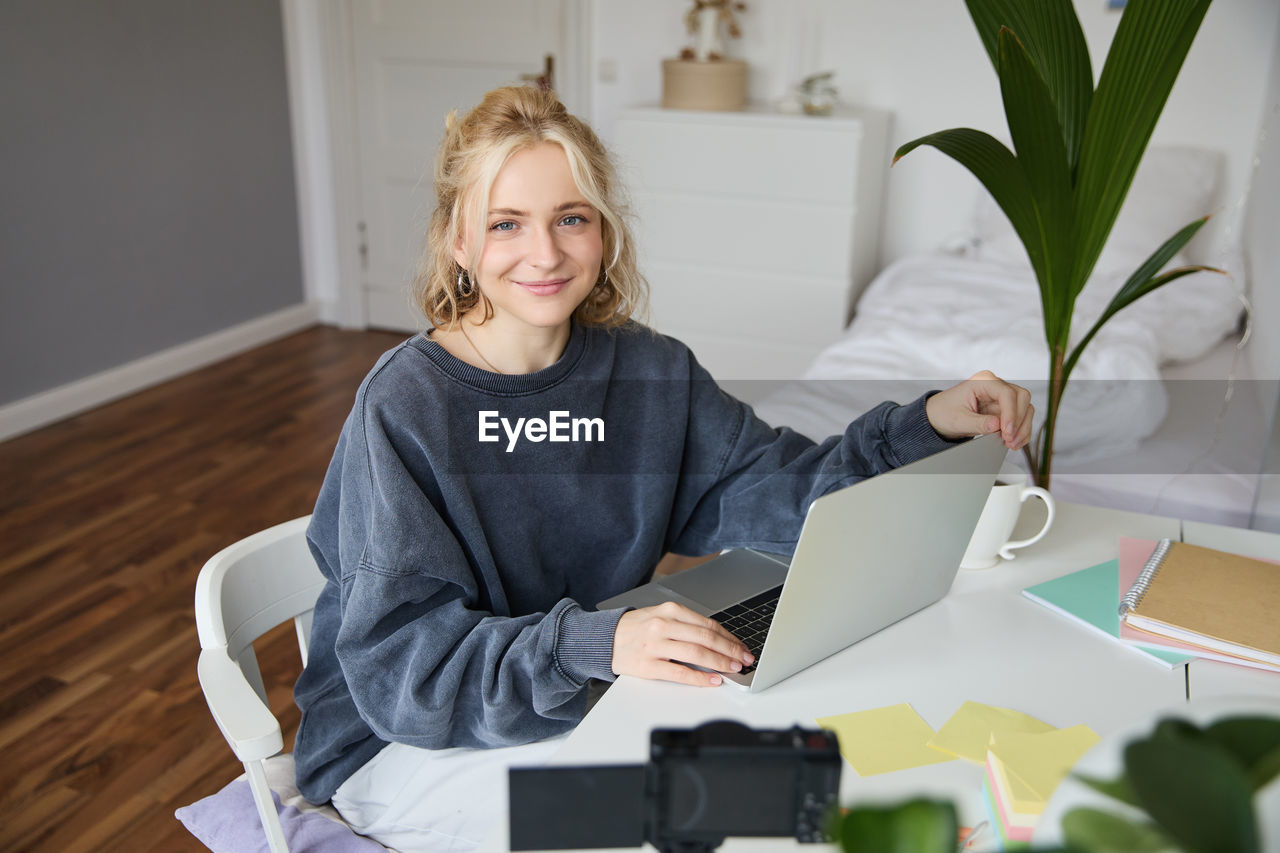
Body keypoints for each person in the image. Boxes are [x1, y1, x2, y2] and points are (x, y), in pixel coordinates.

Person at [293, 85, 1033, 851]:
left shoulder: (651, 371)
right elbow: (404, 672)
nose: (544, 253)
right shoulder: (407, 403)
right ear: (457, 240)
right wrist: (596, 645)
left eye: (570, 218)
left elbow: (788, 499)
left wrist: (926, 425)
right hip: (405, 743)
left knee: (799, 774)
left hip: (577, 694)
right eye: (505, 223)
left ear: (605, 232)